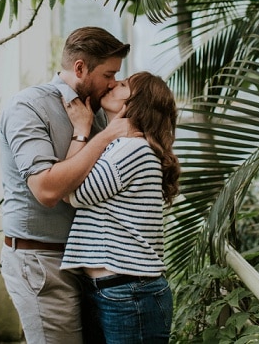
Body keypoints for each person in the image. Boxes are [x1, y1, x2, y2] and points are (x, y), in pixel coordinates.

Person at [0, 26, 132, 344]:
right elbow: (46, 191)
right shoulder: (28, 108)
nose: (113, 83)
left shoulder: (99, 112)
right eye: (109, 74)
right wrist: (102, 136)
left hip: (88, 264)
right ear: (80, 67)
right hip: (42, 261)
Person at [61, 73, 180, 344]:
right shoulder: (124, 146)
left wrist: (81, 130)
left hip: (128, 293)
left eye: (123, 84)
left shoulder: (132, 149)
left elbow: (69, 191)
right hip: (121, 290)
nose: (113, 83)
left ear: (138, 103)